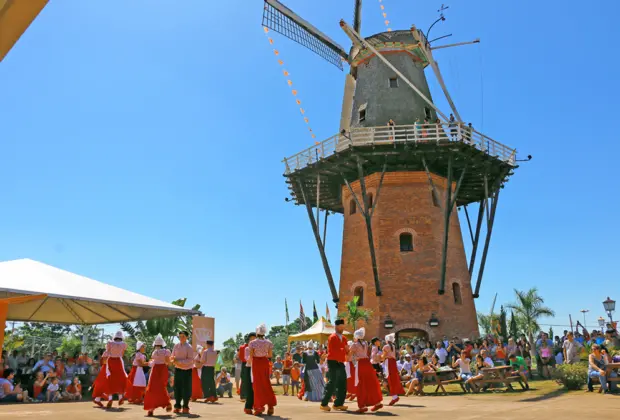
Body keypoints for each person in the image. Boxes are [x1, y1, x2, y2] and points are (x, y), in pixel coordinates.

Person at [350, 328, 383, 413]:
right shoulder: (365, 343)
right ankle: (377, 402)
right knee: (371, 383)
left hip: (361, 364)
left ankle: (362, 406)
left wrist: (353, 357)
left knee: (360, 384)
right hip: (367, 364)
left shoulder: (355, 344)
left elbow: (349, 355)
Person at [320, 319, 349, 412]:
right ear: (336, 327)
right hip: (332, 361)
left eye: (343, 327)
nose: (342, 328)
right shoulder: (332, 337)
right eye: (340, 327)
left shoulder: (344, 338)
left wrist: (348, 350)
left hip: (341, 362)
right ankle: (324, 404)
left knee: (342, 382)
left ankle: (338, 404)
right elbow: (332, 350)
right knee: (332, 382)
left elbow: (346, 350)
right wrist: (344, 349)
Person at [249, 324, 277, 416]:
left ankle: (259, 408)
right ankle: (270, 406)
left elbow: (251, 355)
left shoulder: (252, 343)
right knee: (266, 383)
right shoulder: (268, 342)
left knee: (257, 385)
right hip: (264, 362)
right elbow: (270, 355)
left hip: (256, 363)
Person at [144, 334, 173, 416]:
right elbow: (168, 363)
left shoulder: (154, 352)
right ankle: (167, 403)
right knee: (161, 387)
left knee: (152, 388)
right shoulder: (166, 351)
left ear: (155, 344)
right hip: (163, 369)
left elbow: (153, 362)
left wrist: (148, 363)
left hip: (155, 370)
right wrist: (172, 360)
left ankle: (151, 408)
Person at [171, 330, 195, 414]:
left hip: (187, 371)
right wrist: (173, 360)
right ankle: (177, 405)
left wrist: (179, 362)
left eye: (183, 336)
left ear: (187, 337)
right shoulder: (176, 346)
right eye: (180, 336)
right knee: (177, 388)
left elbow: (190, 360)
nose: (181, 338)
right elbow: (172, 356)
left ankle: (185, 406)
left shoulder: (189, 347)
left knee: (186, 389)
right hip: (178, 370)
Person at [105, 330, 128, 408]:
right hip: (118, 361)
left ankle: (110, 399)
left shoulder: (110, 343)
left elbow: (107, 352)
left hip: (111, 361)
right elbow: (122, 354)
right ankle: (120, 398)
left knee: (110, 379)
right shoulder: (123, 344)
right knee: (121, 379)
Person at [383, 333, 404, 406]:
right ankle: (395, 395)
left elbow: (383, 356)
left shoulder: (386, 346)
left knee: (389, 378)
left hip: (388, 362)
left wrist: (379, 358)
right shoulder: (393, 346)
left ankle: (394, 396)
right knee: (393, 378)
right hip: (393, 362)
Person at [242, 333, 256, 415]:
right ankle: (248, 407)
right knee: (250, 388)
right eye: (251, 339)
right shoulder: (247, 348)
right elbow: (248, 359)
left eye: (254, 339)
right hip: (249, 368)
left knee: (257, 388)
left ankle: (257, 405)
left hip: (257, 369)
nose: (253, 341)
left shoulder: (259, 348)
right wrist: (252, 352)